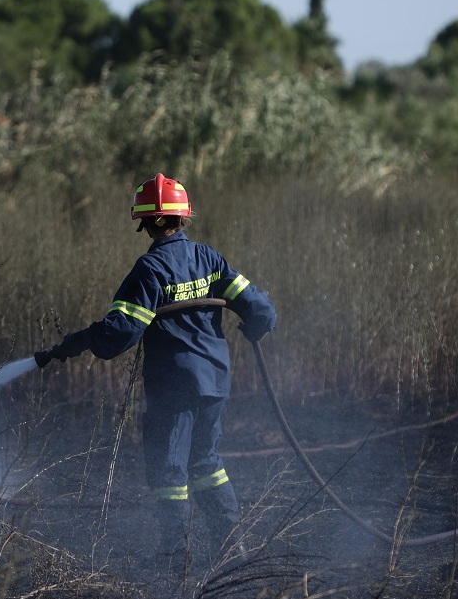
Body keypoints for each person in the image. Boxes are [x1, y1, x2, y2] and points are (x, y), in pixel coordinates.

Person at [35, 173, 277, 573]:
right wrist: (255, 327)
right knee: (208, 464)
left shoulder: (150, 269)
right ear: (182, 217)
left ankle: (175, 557)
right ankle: (232, 550)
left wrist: (73, 344)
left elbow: (120, 332)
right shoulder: (209, 258)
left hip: (175, 386)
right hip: (215, 381)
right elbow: (261, 309)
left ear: (145, 222)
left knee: (169, 470)